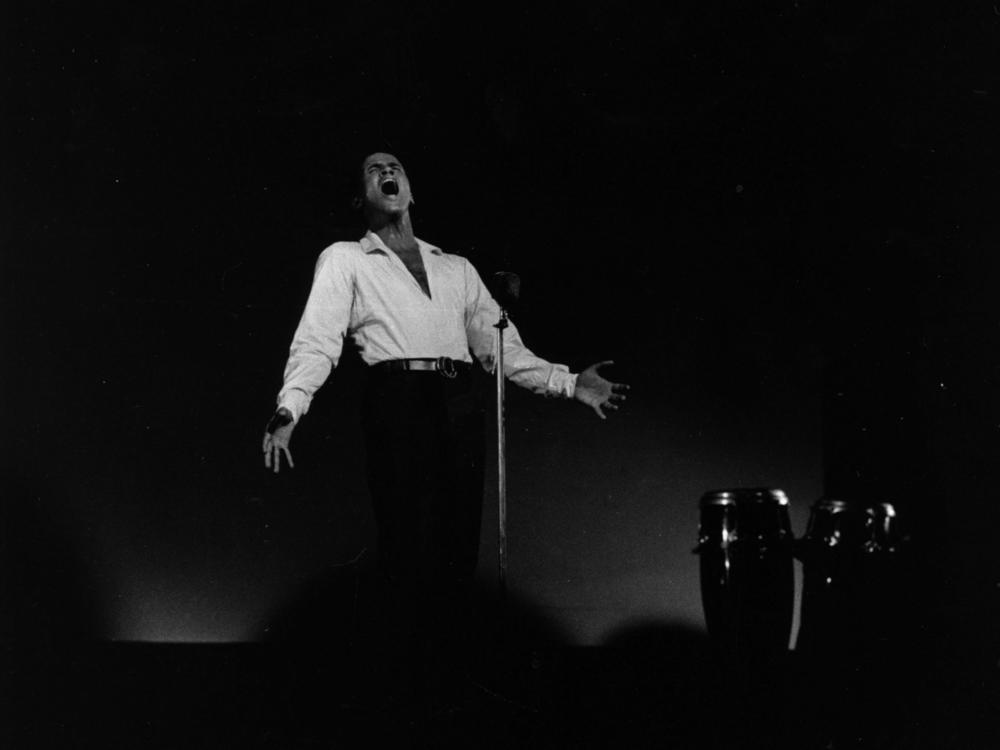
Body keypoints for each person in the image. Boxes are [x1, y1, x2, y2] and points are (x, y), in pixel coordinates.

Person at [261, 151, 628, 700]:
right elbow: (316, 341)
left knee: (458, 550)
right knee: (407, 547)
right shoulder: (345, 259)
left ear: (410, 190)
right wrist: (290, 407)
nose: (388, 172)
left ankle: (454, 688)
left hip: (457, 399)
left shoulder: (456, 268)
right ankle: (405, 688)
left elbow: (500, 347)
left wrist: (569, 382)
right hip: (398, 398)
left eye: (397, 167)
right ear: (360, 197)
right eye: (372, 169)